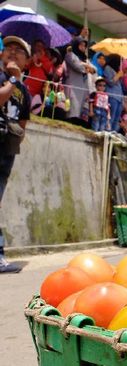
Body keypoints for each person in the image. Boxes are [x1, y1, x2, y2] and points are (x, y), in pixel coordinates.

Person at [0, 36, 32, 273]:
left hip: (6, 151)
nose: (12, 52)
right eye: (9, 48)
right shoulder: (7, 80)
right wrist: (13, 79)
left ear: (26, 61)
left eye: (19, 50)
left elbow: (23, 123)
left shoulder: (25, 92)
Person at [64, 36, 95, 126]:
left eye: (85, 46)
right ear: (76, 45)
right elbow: (77, 66)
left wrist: (86, 65)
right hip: (73, 85)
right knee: (71, 109)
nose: (83, 47)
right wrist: (86, 66)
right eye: (81, 45)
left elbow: (93, 71)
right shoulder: (70, 55)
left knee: (79, 113)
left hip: (82, 87)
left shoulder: (84, 59)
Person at [103, 54, 124, 132]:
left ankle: (113, 134)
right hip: (112, 95)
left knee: (116, 119)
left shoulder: (117, 71)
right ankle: (107, 132)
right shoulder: (108, 68)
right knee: (110, 117)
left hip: (119, 98)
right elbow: (110, 82)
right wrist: (118, 75)